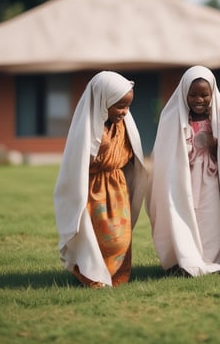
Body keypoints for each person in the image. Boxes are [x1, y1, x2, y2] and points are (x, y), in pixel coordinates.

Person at [147, 65, 220, 277]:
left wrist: (215, 143)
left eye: (204, 95)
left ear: (212, 94)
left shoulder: (219, 121)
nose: (198, 100)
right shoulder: (172, 119)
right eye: (193, 95)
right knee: (184, 215)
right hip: (184, 178)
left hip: (210, 179)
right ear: (184, 94)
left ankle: (210, 260)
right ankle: (186, 259)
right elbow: (166, 153)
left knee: (210, 219)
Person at [54, 71, 147, 288]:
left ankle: (117, 275)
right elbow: (77, 163)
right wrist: (98, 149)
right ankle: (93, 275)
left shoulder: (123, 125)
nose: (124, 112)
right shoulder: (86, 128)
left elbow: (130, 152)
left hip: (117, 187)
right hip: (93, 189)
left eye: (127, 106)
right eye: (119, 106)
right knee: (98, 237)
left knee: (120, 237)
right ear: (102, 102)